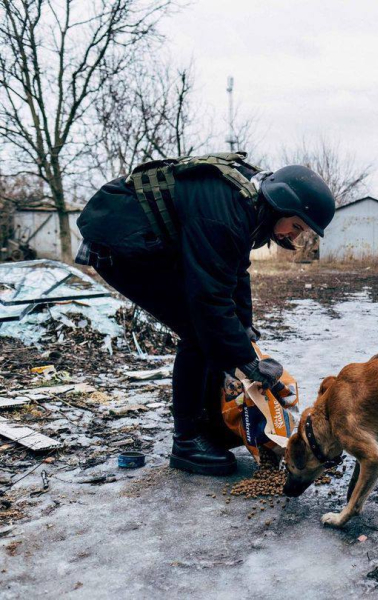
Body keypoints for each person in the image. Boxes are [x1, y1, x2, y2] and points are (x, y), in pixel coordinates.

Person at [75, 153, 335, 475]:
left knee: (214, 332)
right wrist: (246, 359)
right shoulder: (225, 213)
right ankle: (187, 440)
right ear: (280, 204)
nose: (293, 236)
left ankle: (211, 425)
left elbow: (235, 270)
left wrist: (245, 327)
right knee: (198, 332)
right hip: (122, 243)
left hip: (154, 240)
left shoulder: (248, 203)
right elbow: (209, 299)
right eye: (295, 226)